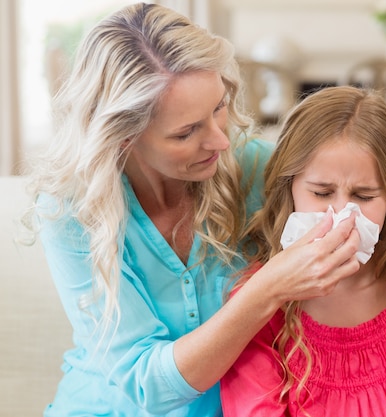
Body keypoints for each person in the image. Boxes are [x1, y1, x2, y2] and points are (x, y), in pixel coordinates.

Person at [21, 3, 362, 416]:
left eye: (218, 107)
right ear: (123, 137)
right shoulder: (72, 208)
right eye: (186, 132)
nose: (220, 141)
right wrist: (268, 288)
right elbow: (144, 387)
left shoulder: (256, 168)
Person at [220, 86, 386, 416]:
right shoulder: (259, 300)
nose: (342, 217)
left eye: (364, 197)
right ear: (289, 187)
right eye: (322, 193)